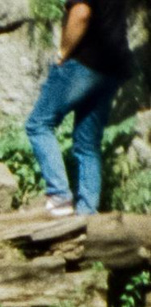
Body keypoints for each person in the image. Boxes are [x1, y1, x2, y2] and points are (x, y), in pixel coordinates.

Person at [26, 0, 131, 214]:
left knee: (38, 124)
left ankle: (59, 196)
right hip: (113, 66)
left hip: (85, 62)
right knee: (87, 143)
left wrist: (62, 53)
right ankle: (87, 214)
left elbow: (81, 13)